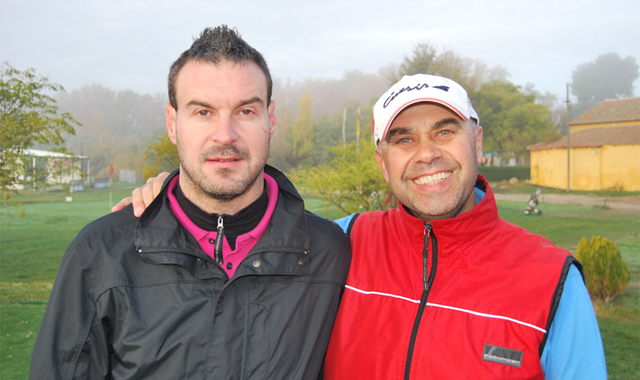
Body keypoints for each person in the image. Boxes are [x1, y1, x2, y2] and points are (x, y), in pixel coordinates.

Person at [119, 74, 607, 379]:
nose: (427, 153)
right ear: (382, 160)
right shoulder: (340, 241)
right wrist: (178, 194)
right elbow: (235, 233)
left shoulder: (552, 279)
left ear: (477, 141)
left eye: (444, 131)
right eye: (403, 138)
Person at [30, 25, 350, 380]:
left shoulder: (328, 252)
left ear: (270, 119)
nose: (225, 135)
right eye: (203, 112)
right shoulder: (100, 255)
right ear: (172, 122)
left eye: (245, 111)